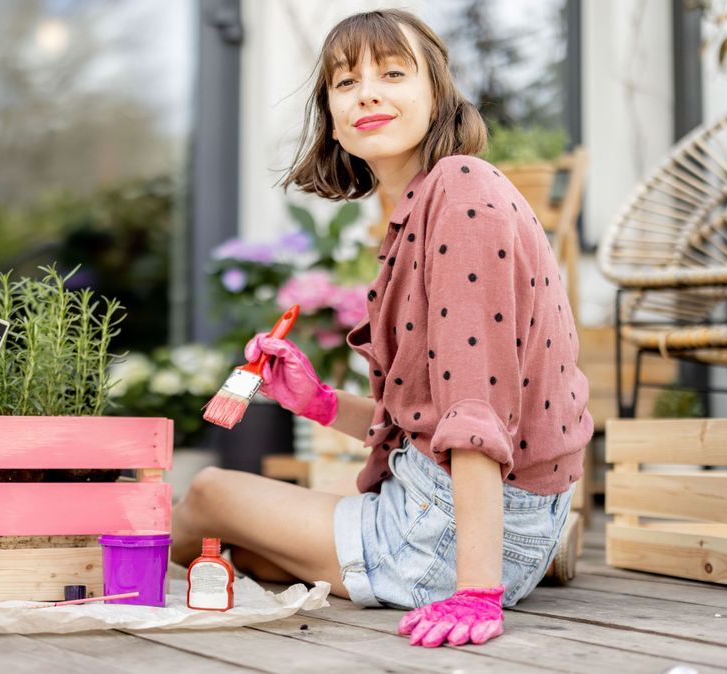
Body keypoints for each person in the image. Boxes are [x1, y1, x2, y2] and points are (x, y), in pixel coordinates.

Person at [171, 9, 591, 648]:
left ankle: (94, 565)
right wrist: (318, 401)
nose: (367, 91)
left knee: (206, 496)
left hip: (449, 535)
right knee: (247, 553)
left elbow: (474, 408)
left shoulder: (461, 195)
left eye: (393, 73)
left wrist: (476, 593)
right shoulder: (427, 205)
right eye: (345, 83)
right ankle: (530, 555)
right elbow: (426, 410)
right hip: (482, 514)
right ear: (333, 122)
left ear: (437, 96)